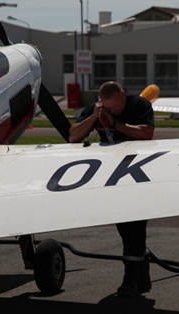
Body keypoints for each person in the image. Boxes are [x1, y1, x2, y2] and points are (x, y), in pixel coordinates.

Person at [69, 81, 155, 297]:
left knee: (133, 226)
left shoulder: (140, 105)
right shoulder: (97, 110)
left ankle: (131, 280)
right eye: (107, 107)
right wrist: (93, 118)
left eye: (116, 107)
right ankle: (140, 273)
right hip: (113, 177)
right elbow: (73, 136)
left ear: (124, 95)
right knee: (126, 228)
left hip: (137, 174)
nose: (112, 110)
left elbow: (146, 134)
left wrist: (116, 123)